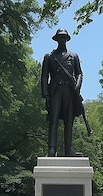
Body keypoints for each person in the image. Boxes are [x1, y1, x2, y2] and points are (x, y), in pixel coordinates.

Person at [41, 28, 84, 157]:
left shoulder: (74, 56)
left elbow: (79, 73)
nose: (62, 40)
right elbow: (44, 76)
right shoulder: (50, 56)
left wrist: (78, 86)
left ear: (67, 39)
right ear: (56, 39)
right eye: (60, 37)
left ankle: (68, 149)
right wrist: (46, 94)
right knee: (53, 120)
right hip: (55, 91)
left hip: (70, 92)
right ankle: (52, 149)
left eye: (64, 37)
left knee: (69, 121)